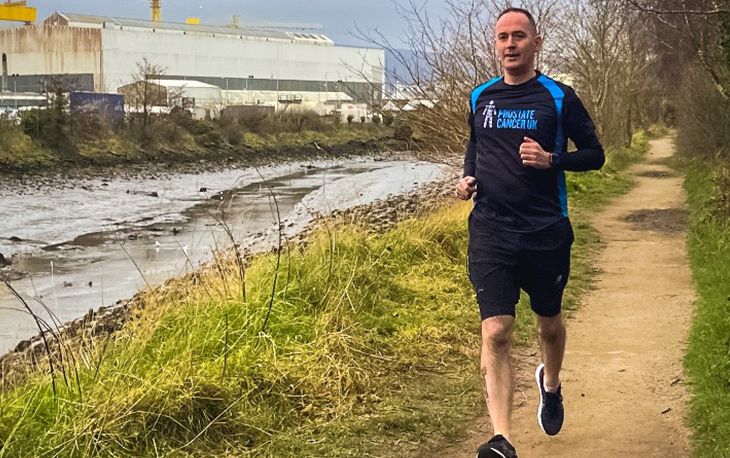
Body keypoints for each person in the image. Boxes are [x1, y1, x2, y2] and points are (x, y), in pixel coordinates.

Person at [455, 7, 605, 458]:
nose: (510, 44)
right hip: (490, 231)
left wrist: (551, 160)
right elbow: (475, 145)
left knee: (549, 325)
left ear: (536, 43)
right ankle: (502, 440)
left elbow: (596, 155)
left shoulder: (559, 98)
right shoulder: (481, 96)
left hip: (545, 232)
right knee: (497, 330)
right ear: (495, 45)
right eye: (502, 37)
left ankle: (551, 384)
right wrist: (467, 178)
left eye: (519, 35)